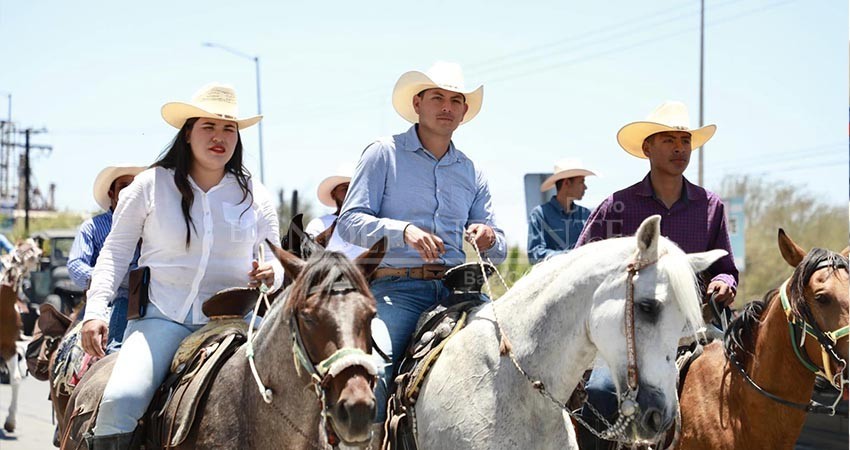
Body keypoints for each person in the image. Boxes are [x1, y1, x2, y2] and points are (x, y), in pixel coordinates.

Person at [79, 82, 283, 448]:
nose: (219, 137)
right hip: (162, 319)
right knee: (121, 400)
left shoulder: (256, 195)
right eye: (209, 126)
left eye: (229, 129)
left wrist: (274, 273)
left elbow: (276, 258)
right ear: (187, 133)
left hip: (237, 323)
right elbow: (115, 252)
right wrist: (94, 311)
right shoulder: (148, 185)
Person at [337, 61, 507, 423]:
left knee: (517, 355)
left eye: (456, 100)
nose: (447, 107)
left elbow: (500, 245)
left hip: (462, 291)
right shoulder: (383, 153)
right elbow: (350, 222)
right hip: (398, 290)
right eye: (437, 98)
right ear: (417, 104)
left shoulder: (471, 171)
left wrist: (489, 236)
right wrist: (403, 231)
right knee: (374, 375)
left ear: (464, 111)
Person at [574, 100, 738, 449]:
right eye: (669, 140)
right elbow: (581, 267)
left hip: (695, 330)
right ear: (647, 148)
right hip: (629, 335)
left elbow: (725, 269)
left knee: (738, 387)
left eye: (685, 141)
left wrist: (723, 283)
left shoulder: (711, 207)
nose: (680, 149)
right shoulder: (617, 206)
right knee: (601, 391)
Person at [67, 164, 145, 352]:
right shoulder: (92, 227)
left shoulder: (150, 224)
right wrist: (107, 279)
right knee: (114, 349)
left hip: (152, 296)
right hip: (112, 298)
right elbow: (76, 264)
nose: (130, 191)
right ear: (111, 193)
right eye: (124, 186)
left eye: (134, 186)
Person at [527, 159, 596, 264]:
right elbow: (535, 254)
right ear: (566, 183)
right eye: (581, 181)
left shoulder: (586, 215)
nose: (585, 187)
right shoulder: (539, 215)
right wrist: (571, 256)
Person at [304, 164, 367, 259]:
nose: (350, 192)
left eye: (354, 188)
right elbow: (309, 256)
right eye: (345, 188)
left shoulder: (370, 223)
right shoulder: (319, 224)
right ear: (333, 194)